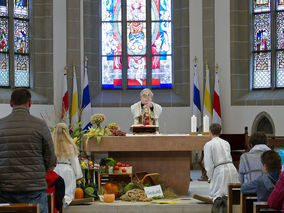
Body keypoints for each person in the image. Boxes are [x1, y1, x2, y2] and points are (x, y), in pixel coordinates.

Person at [0, 88, 57, 213]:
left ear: (11, 103)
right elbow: (51, 158)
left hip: (6, 189)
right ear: (30, 103)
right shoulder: (40, 125)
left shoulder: (1, 125)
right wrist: (39, 173)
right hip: (34, 189)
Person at [204, 123, 239, 213]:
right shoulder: (226, 143)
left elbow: (208, 163)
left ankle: (220, 203)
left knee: (217, 194)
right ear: (220, 132)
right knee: (228, 192)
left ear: (210, 131)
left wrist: (210, 176)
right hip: (232, 169)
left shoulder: (209, 144)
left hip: (220, 171)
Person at [52, 123, 83, 207]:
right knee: (67, 193)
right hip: (67, 170)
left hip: (55, 170)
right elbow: (74, 161)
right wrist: (78, 175)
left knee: (57, 193)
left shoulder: (52, 145)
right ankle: (64, 204)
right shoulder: (70, 145)